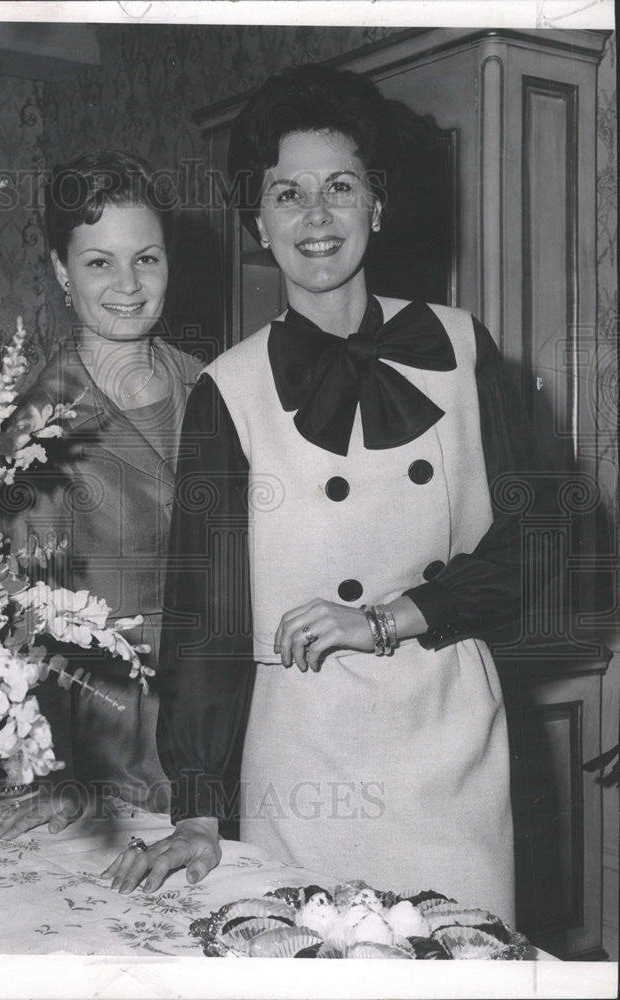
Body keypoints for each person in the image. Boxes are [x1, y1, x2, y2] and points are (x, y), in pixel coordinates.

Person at [104, 64, 547, 926]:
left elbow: (539, 547)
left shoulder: (464, 348)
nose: (317, 216)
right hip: (305, 759)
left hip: (450, 741)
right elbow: (206, 608)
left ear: (377, 207)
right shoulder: (226, 391)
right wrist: (197, 805)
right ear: (258, 223)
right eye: (287, 194)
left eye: (340, 187)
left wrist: (385, 618)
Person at [0, 149, 202, 840]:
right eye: (99, 261)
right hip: (122, 755)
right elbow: (31, 622)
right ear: (60, 271)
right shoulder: (35, 427)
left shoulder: (217, 385)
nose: (129, 285)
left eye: (148, 258)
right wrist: (55, 776)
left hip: (235, 728)